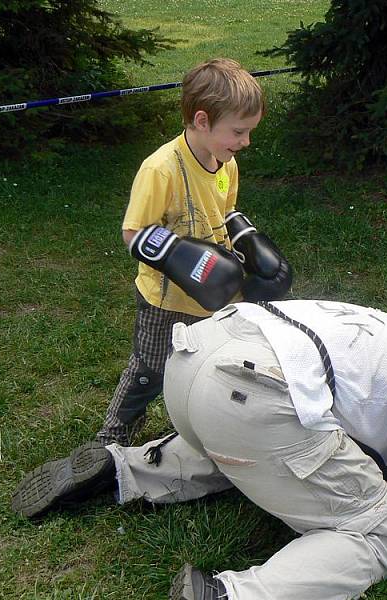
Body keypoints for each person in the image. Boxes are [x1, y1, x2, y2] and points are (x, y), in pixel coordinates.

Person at [12, 299, 387, 599]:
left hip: (199, 352)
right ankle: (233, 594)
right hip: (250, 387)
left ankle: (122, 467)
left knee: (261, 449)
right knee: (383, 535)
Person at [97, 58, 293, 447]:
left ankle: (205, 425)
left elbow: (224, 211)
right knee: (150, 369)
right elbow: (133, 232)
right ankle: (113, 436)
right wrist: (182, 259)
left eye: (249, 131)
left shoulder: (226, 163)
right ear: (202, 120)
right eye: (238, 131)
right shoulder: (161, 169)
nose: (246, 142)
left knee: (211, 363)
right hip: (165, 300)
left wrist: (248, 239)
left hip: (214, 292)